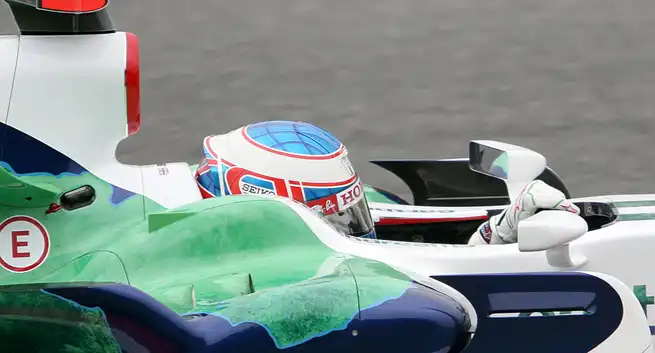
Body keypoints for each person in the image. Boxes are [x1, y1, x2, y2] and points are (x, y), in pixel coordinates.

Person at [195, 120, 579, 244]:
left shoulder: (377, 201)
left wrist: (495, 234)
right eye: (332, 219)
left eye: (351, 213)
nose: (355, 229)